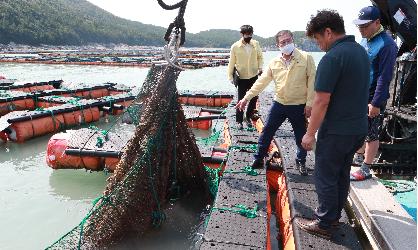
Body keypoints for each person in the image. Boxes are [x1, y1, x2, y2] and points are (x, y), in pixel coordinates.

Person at [295, 10, 369, 239]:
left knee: (325, 175)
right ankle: (334, 216)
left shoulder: (333, 58)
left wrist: (309, 134)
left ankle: (324, 222)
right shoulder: (360, 52)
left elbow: (321, 100)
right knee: (341, 174)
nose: (319, 45)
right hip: (357, 129)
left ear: (328, 32)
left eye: (318, 39)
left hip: (337, 130)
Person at [235, 30, 316, 174]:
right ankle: (259, 157)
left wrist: (309, 104)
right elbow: (261, 82)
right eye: (283, 42)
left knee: (300, 135)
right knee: (267, 131)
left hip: (298, 105)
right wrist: (245, 98)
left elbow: (312, 83)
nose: (286, 44)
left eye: (288, 40)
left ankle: (301, 160)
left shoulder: (306, 58)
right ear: (278, 45)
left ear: (293, 40)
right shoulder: (274, 62)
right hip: (279, 104)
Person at [350, 6, 398, 181]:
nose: (361, 30)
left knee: (371, 132)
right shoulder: (365, 39)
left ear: (377, 23)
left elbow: (385, 78)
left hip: (373, 96)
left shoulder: (387, 45)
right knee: (357, 127)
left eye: (365, 26)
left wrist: (376, 103)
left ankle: (366, 168)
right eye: (359, 26)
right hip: (359, 93)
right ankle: (358, 156)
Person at [227, 25, 264, 130]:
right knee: (241, 99)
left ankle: (248, 117)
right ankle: (239, 121)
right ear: (242, 34)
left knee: (254, 97)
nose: (249, 36)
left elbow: (260, 57)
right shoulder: (235, 46)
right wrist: (230, 76)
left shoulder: (256, 44)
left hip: (253, 75)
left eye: (250, 34)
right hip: (241, 77)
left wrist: (260, 67)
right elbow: (231, 62)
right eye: (247, 34)